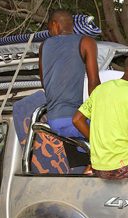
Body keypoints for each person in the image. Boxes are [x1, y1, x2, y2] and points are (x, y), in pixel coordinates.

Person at [72, 53, 128, 179]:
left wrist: (96, 142)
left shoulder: (101, 89)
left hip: (100, 166)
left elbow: (77, 119)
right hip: (124, 166)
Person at [39, 9, 100, 138]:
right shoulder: (86, 42)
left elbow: (45, 83)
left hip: (54, 119)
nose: (50, 32)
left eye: (49, 28)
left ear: (55, 24)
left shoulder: (44, 45)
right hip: (78, 121)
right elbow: (93, 83)